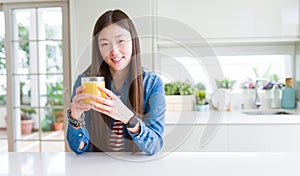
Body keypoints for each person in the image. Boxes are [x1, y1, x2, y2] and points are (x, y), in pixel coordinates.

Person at [66, 9, 166, 155]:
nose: (114, 52)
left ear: (133, 41)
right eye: (105, 44)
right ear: (97, 48)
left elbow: (155, 146)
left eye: (121, 41)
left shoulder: (152, 84)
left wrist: (128, 117)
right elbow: (79, 149)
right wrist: (75, 118)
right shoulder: (85, 83)